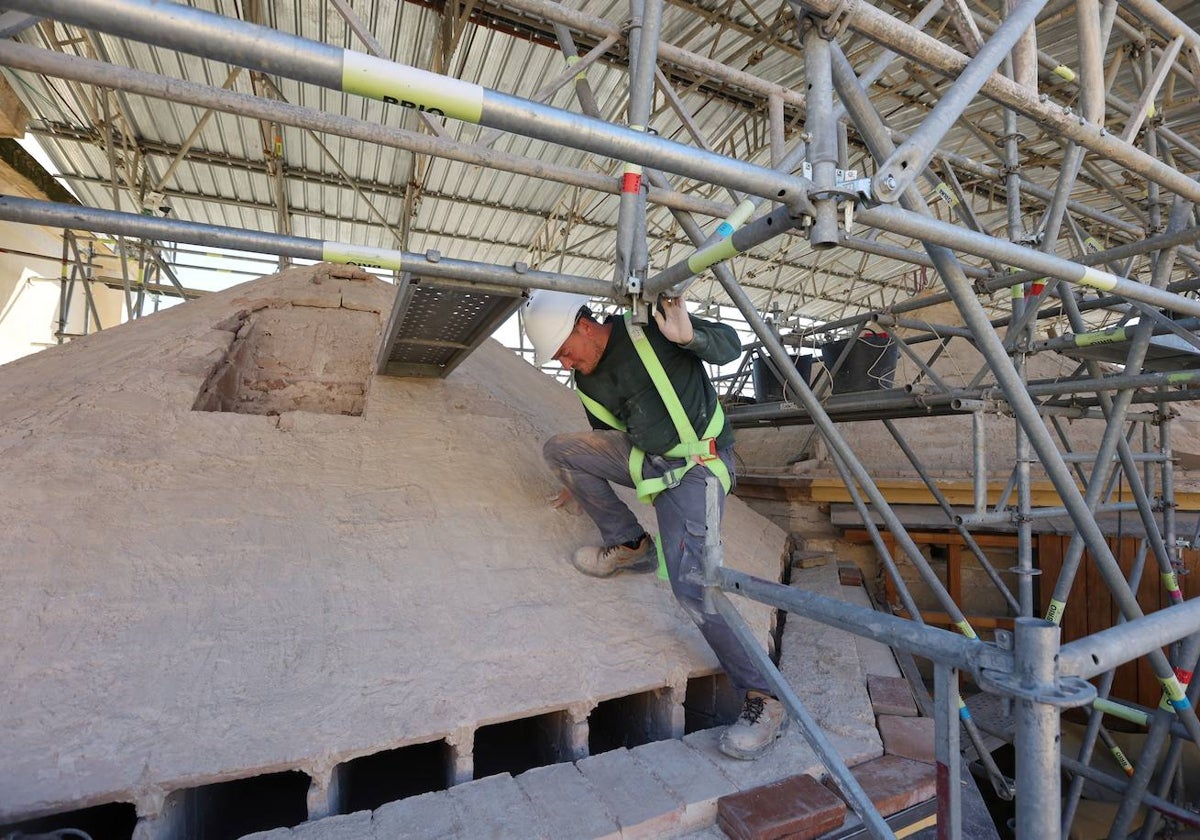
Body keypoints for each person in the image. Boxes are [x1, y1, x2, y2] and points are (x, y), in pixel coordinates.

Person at [523, 289, 786, 760]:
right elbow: (605, 437)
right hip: (649, 461)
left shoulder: (649, 329)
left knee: (694, 586)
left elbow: (728, 346)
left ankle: (764, 696)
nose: (564, 363)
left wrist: (691, 335)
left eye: (564, 351)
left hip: (698, 464)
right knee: (561, 450)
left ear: (584, 326)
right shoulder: (588, 382)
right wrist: (581, 482)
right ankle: (630, 544)